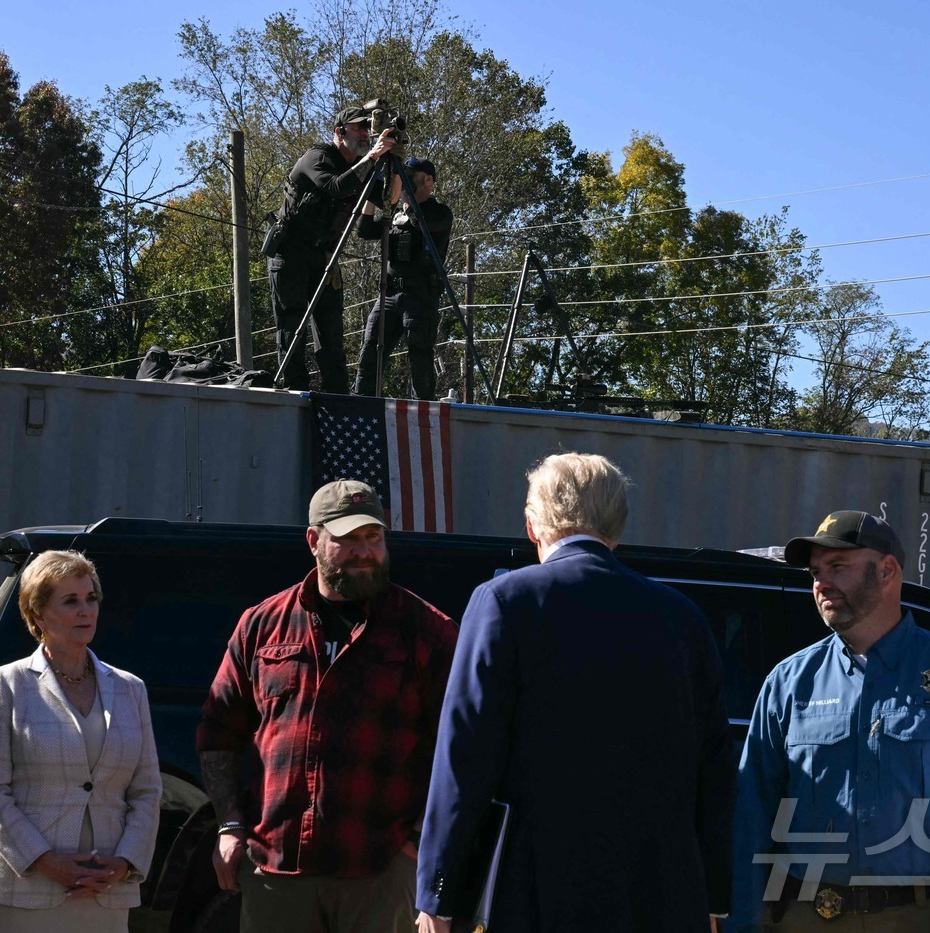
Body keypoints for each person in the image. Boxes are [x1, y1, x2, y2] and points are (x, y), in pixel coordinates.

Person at [415, 452, 734, 933]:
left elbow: (465, 758)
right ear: (618, 526)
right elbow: (714, 772)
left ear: (531, 526)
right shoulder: (683, 617)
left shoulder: (504, 602)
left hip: (537, 891)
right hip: (663, 895)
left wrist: (439, 895)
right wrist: (712, 900)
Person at [197, 479, 458, 933]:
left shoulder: (427, 631)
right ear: (314, 540)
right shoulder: (262, 625)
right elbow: (220, 730)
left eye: (373, 537)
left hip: (380, 869)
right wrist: (230, 824)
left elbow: (458, 749)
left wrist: (417, 842)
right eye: (349, 539)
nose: (364, 551)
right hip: (276, 870)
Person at [731, 510, 930, 932]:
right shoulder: (789, 682)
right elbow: (752, 815)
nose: (821, 583)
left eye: (838, 567)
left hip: (926, 916)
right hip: (809, 915)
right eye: (816, 571)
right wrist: (744, 922)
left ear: (887, 570)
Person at [0, 549, 161, 931]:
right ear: (38, 613)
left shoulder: (130, 689)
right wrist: (44, 860)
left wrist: (125, 862)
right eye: (70, 601)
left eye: (91, 599)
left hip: (103, 891)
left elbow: (147, 791)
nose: (85, 610)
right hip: (22, 889)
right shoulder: (7, 683)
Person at [268, 106, 399, 392]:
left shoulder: (365, 165)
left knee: (331, 332)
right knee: (292, 327)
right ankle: (293, 392)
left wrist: (394, 159)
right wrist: (373, 156)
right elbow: (336, 186)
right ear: (340, 132)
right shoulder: (317, 157)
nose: (365, 134)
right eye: (359, 128)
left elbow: (389, 200)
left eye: (368, 128)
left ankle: (337, 395)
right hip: (291, 254)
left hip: (324, 256)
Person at [354, 156, 454, 400]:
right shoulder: (395, 214)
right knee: (370, 350)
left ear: (428, 181)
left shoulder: (439, 213)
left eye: (411, 178)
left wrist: (406, 201)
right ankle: (360, 400)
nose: (404, 182)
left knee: (419, 354)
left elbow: (422, 224)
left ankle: (423, 407)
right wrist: (373, 193)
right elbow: (364, 229)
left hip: (420, 294)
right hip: (389, 293)